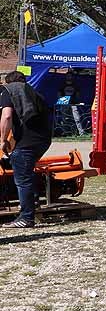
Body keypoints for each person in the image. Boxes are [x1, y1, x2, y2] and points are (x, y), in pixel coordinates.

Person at [0, 71, 52, 228]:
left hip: (27, 143)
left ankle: (26, 217)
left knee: (22, 179)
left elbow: (7, 116)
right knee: (26, 173)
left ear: (7, 82)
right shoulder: (36, 94)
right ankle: (32, 205)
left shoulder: (8, 91)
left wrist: (3, 140)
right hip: (42, 140)